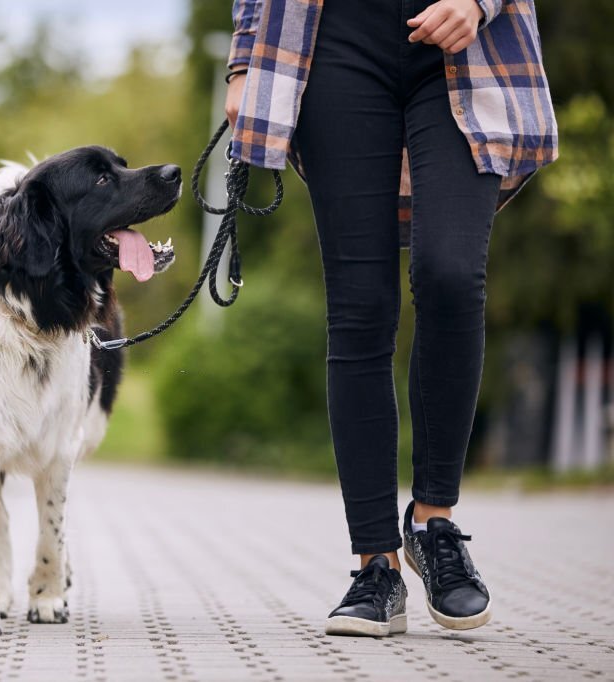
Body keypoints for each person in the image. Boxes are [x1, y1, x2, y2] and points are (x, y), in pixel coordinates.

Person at [224, 0, 557, 637]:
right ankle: (375, 565)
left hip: (466, 43)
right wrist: (243, 60)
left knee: (452, 274)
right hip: (334, 41)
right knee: (360, 305)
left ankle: (435, 526)